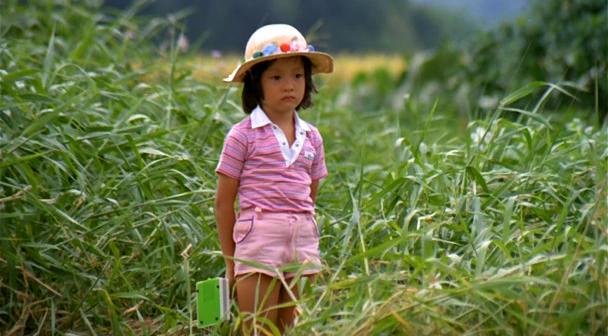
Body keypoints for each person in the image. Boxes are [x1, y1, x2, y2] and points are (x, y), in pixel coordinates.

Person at [214, 23, 333, 334]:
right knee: (259, 328)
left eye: (297, 76)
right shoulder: (242, 136)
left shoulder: (313, 138)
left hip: (302, 238)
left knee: (293, 327)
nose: (289, 86)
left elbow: (311, 192)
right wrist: (231, 261)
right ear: (256, 83)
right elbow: (224, 203)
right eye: (276, 77)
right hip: (258, 239)